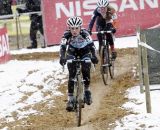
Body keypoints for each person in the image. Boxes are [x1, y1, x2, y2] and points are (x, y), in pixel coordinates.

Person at [59, 16, 98, 111]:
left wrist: (93, 56)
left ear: (80, 27)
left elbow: (92, 46)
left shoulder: (85, 33)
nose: (74, 31)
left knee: (85, 70)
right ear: (69, 28)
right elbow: (63, 47)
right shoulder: (66, 34)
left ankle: (87, 90)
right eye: (72, 28)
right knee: (72, 76)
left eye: (77, 28)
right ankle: (70, 99)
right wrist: (62, 57)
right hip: (72, 51)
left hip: (85, 51)